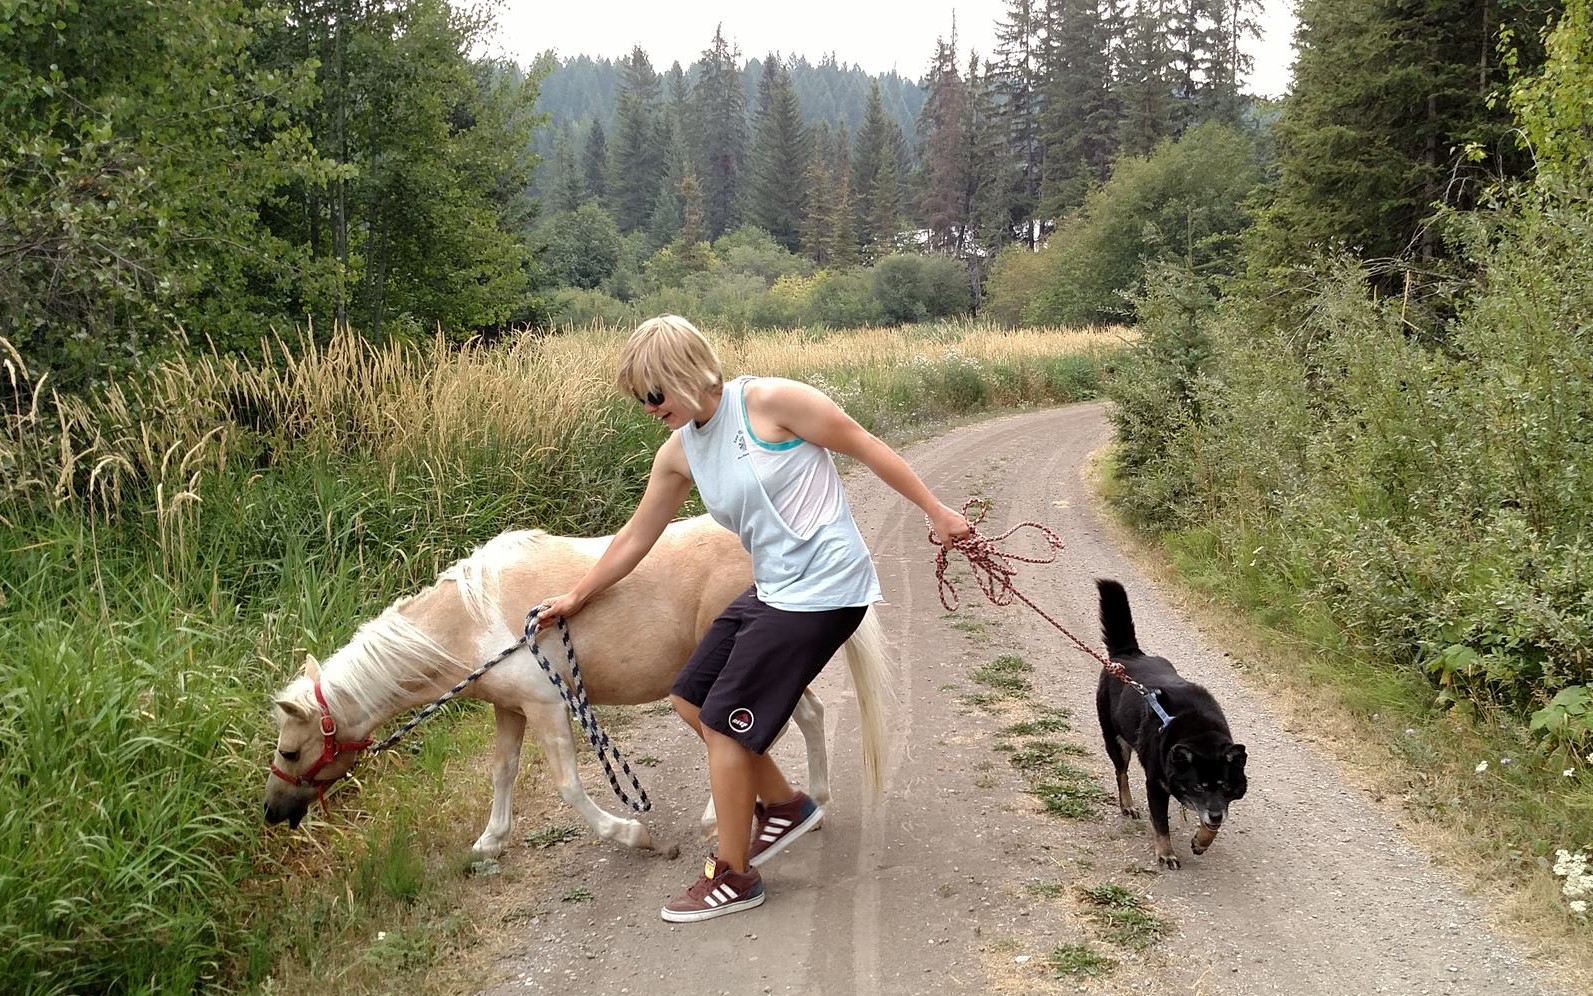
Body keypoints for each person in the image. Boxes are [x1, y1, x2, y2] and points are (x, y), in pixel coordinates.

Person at [537, 314, 971, 923]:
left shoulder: (772, 403)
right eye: (639, 398)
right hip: (773, 587)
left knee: (726, 724)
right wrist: (578, 594)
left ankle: (735, 873)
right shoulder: (681, 449)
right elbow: (638, 534)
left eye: (654, 393)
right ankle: (785, 805)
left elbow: (866, 445)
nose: (647, 407)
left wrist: (937, 510)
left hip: (824, 588)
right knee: (690, 699)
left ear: (685, 371)